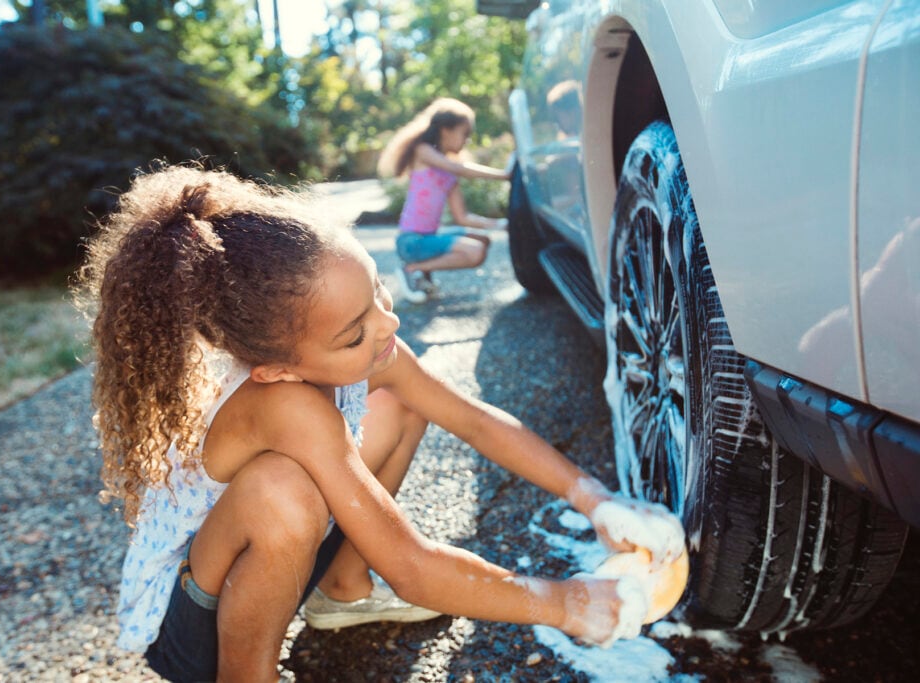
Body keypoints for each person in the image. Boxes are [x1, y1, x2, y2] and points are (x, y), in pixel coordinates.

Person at [74, 163, 686, 683]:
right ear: (275, 370)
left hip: (269, 569)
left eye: (377, 296)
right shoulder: (283, 405)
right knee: (280, 492)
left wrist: (595, 499)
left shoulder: (367, 346)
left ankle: (343, 588)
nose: (386, 327)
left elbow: (475, 422)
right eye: (354, 332)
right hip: (193, 629)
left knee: (399, 399)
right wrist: (571, 603)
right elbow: (411, 564)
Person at [377, 98, 510, 303]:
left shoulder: (449, 176)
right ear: (446, 130)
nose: (467, 141)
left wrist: (500, 224)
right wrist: (505, 175)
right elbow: (460, 168)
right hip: (411, 242)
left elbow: (463, 217)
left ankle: (421, 273)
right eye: (464, 134)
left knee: (483, 241)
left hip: (429, 239)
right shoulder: (423, 151)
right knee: (474, 251)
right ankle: (412, 269)